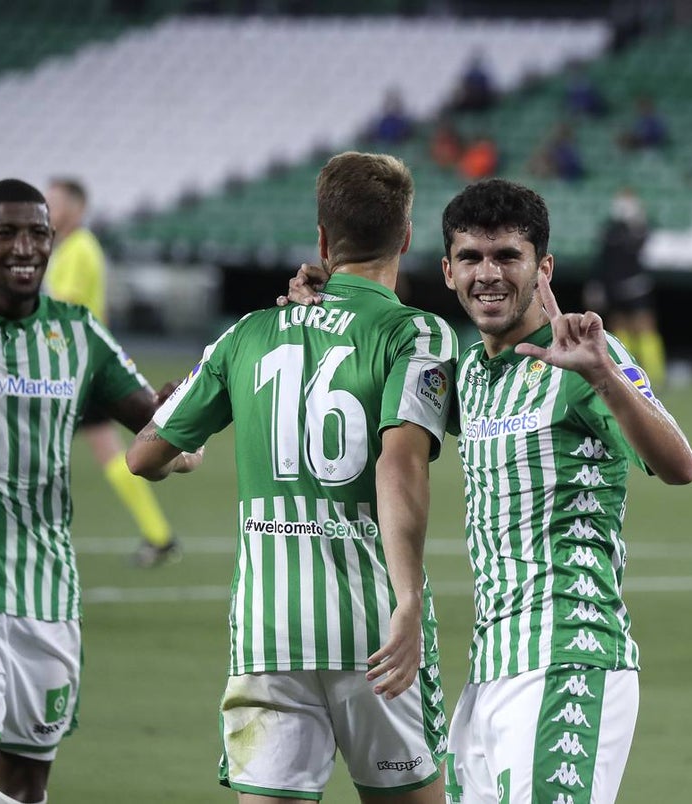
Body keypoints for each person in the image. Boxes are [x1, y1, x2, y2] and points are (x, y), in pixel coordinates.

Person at [282, 179, 692, 803]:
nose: (489, 274)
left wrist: (604, 375)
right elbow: (377, 385)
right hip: (489, 670)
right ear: (448, 271)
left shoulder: (584, 357)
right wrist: (328, 303)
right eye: (471, 257)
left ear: (543, 268)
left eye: (508, 256)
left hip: (568, 655)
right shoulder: (468, 373)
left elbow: (678, 464)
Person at [127, 152, 456, 802]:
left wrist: (183, 455)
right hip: (375, 634)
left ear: (324, 240)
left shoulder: (248, 332)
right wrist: (409, 599)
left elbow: (143, 456)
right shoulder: (417, 334)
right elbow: (401, 463)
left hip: (268, 634)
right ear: (406, 237)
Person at [0, 179, 196, 804]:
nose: (24, 247)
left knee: (25, 789)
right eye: (7, 233)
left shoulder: (78, 334)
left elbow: (164, 438)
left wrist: (179, 425)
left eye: (37, 234)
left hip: (48, 596)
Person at [44, 178, 181, 567]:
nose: (48, 210)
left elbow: (63, 309)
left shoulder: (78, 249)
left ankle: (25, 535)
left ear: (76, 208)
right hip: (83, 365)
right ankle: (159, 536)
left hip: (74, 368)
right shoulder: (73, 248)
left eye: (54, 203)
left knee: (31, 446)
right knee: (106, 452)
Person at [585, 187, 666, 388]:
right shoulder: (610, 229)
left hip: (636, 286)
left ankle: (655, 374)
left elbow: (649, 250)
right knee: (619, 327)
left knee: (644, 327)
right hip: (614, 286)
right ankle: (626, 371)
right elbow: (602, 259)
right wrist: (596, 285)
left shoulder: (641, 227)